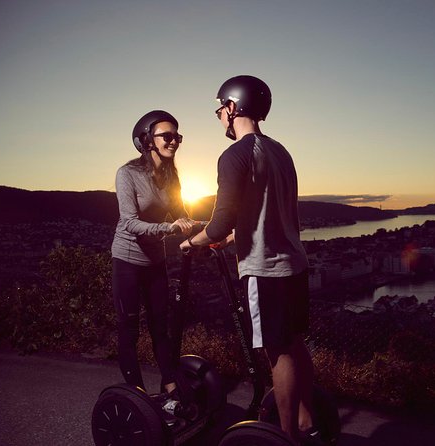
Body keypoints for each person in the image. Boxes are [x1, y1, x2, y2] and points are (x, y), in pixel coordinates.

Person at [180, 76, 320, 445]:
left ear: (232, 107)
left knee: (278, 354)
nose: (219, 117)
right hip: (294, 263)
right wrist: (231, 239)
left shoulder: (234, 155)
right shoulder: (280, 151)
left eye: (219, 109)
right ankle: (308, 421)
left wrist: (192, 242)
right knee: (294, 343)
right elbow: (266, 213)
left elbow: (221, 220)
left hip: (265, 269)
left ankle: (286, 437)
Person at [111, 110, 195, 408]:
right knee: (129, 328)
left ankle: (170, 386)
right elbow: (129, 223)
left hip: (155, 263)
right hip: (128, 261)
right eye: (166, 136)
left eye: (177, 136)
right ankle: (137, 394)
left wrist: (201, 228)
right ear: (147, 141)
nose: (174, 141)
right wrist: (169, 228)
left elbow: (180, 214)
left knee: (162, 326)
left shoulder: (172, 177)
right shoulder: (128, 174)